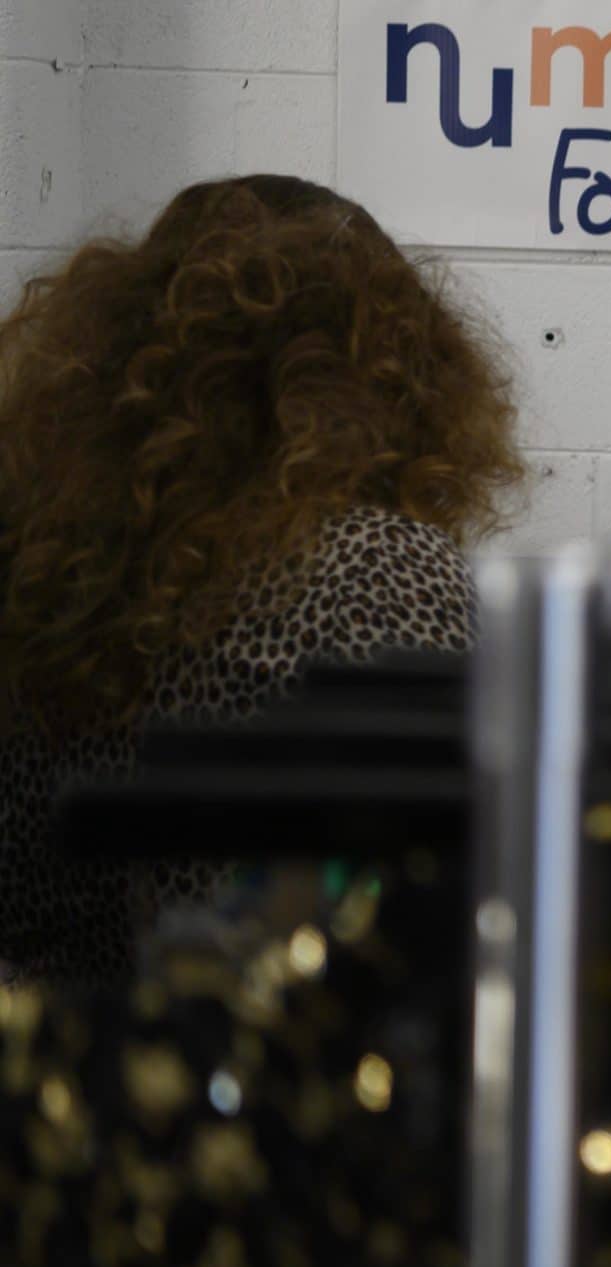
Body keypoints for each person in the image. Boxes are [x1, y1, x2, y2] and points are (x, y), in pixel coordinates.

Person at [0, 174, 524, 988]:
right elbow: (451, 901)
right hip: (254, 1050)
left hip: (56, 1052)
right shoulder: (378, 569)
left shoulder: (39, 570)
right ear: (394, 370)